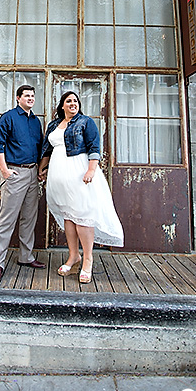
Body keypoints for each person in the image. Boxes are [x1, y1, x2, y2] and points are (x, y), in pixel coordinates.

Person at [38, 91, 124, 284]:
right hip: (59, 176)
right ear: (62, 105)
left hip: (80, 173)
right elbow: (47, 149)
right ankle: (73, 256)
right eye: (68, 101)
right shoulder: (53, 124)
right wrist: (42, 168)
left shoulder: (86, 122)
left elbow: (94, 147)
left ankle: (87, 260)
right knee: (68, 216)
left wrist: (91, 170)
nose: (72, 104)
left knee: (83, 216)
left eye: (75, 101)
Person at [0, 84, 45, 282]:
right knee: (7, 219)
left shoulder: (36, 121)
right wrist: (4, 170)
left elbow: (39, 147)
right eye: (26, 95)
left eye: (32, 96)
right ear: (18, 98)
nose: (30, 98)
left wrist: (39, 170)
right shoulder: (9, 117)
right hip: (15, 172)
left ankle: (25, 256)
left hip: (32, 174)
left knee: (29, 218)